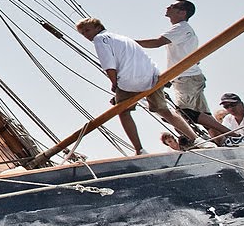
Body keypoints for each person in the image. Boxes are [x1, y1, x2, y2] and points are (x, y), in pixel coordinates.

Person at [75, 17, 200, 155]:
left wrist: (114, 84)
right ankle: (196, 139)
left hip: (129, 81)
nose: (86, 35)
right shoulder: (124, 38)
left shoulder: (100, 39)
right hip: (152, 76)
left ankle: (139, 149)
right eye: (83, 33)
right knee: (165, 111)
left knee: (123, 111)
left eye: (87, 30)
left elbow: (108, 64)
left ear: (98, 27)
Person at [134, 0, 231, 143]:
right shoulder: (185, 30)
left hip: (186, 78)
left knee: (186, 114)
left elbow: (157, 42)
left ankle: (233, 135)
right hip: (190, 77)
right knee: (205, 116)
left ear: (182, 12)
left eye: (172, 6)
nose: (168, 7)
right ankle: (222, 142)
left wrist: (128, 43)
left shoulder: (181, 28)